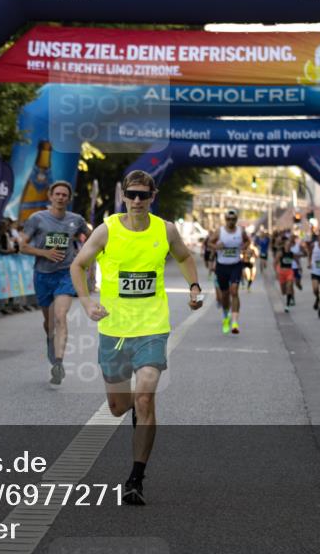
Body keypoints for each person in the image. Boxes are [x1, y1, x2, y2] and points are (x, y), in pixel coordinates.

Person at [69, 170, 203, 506]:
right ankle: (132, 410)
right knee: (118, 407)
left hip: (151, 327)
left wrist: (194, 286)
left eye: (144, 195)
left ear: (153, 196)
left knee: (145, 396)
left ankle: (135, 478)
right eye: (132, 195)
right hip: (113, 330)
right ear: (124, 197)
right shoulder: (107, 230)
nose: (138, 201)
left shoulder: (165, 229)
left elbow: (185, 257)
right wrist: (86, 301)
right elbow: (78, 265)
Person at [18, 181, 91, 386]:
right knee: (49, 323)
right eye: (57, 194)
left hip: (65, 274)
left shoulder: (76, 220)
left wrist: (83, 256)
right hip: (42, 275)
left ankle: (58, 363)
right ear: (50, 196)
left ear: (68, 198)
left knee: (60, 317)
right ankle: (51, 341)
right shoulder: (37, 219)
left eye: (64, 195)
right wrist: (45, 253)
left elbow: (91, 238)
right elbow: (22, 246)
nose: (60, 197)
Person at [205, 208, 244, 334]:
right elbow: (209, 243)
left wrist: (245, 247)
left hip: (236, 265)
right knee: (225, 295)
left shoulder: (240, 231)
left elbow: (248, 241)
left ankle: (235, 322)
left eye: (233, 219)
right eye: (228, 219)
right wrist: (216, 246)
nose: (231, 221)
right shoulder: (220, 231)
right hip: (222, 266)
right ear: (225, 219)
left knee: (234, 291)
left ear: (236, 220)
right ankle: (226, 315)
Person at [277, 234, 296, 311]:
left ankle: (287, 305)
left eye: (289, 245)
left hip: (289, 272)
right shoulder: (281, 253)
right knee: (283, 292)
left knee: (289, 287)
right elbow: (275, 262)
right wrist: (276, 271)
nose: (288, 246)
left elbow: (297, 259)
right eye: (287, 245)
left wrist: (300, 267)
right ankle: (290, 296)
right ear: (284, 245)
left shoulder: (292, 254)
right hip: (281, 273)